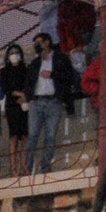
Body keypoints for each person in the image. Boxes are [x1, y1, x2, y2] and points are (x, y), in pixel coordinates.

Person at [24, 32, 78, 175]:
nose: (37, 45)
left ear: (47, 42)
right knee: (32, 135)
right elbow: (28, 82)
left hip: (54, 101)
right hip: (36, 101)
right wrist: (28, 96)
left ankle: (46, 166)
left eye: (39, 42)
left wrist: (52, 74)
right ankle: (27, 168)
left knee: (50, 135)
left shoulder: (60, 58)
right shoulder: (35, 63)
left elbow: (70, 76)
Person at [0, 44, 30, 177]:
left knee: (25, 136)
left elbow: (30, 84)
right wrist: (19, 94)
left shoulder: (26, 69)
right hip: (12, 105)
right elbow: (5, 89)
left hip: (25, 103)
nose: (14, 55)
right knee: (13, 136)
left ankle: (24, 166)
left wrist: (25, 96)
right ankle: (13, 168)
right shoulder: (4, 71)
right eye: (11, 53)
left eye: (16, 52)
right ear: (8, 56)